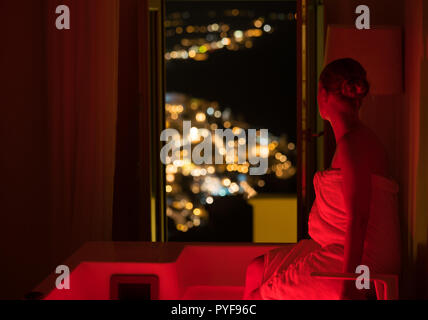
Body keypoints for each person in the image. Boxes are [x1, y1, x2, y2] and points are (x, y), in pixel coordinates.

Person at [243, 58, 401, 300]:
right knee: (256, 269)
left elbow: (358, 219)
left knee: (258, 296)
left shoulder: (353, 145)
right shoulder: (351, 140)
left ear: (324, 94)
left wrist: (349, 284)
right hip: (333, 243)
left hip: (361, 256)